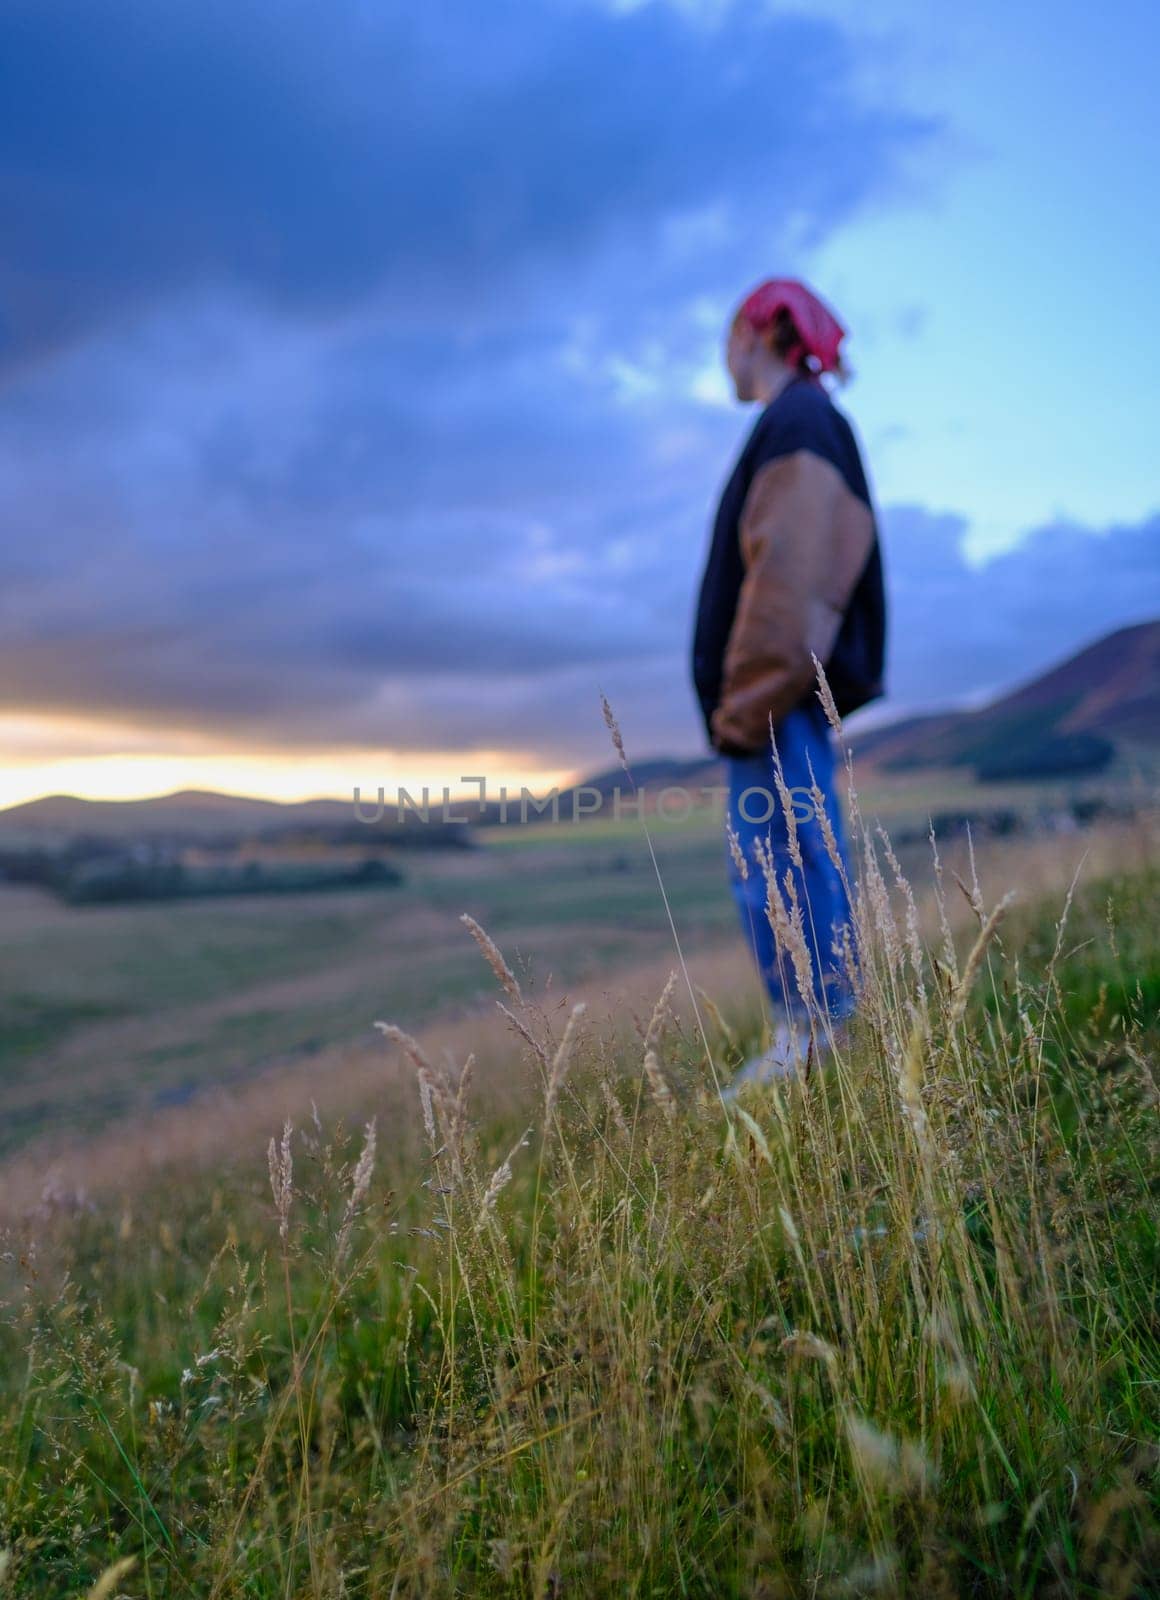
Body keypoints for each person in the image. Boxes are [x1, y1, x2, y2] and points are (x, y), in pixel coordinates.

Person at [691, 277, 887, 1092]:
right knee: (795, 850)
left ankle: (814, 1032)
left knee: (780, 858)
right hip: (781, 694)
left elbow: (792, 579)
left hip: (773, 700)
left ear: (758, 331)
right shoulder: (801, 420)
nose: (723, 352)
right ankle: (819, 1026)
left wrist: (746, 704)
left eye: (730, 332)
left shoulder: (798, 419)